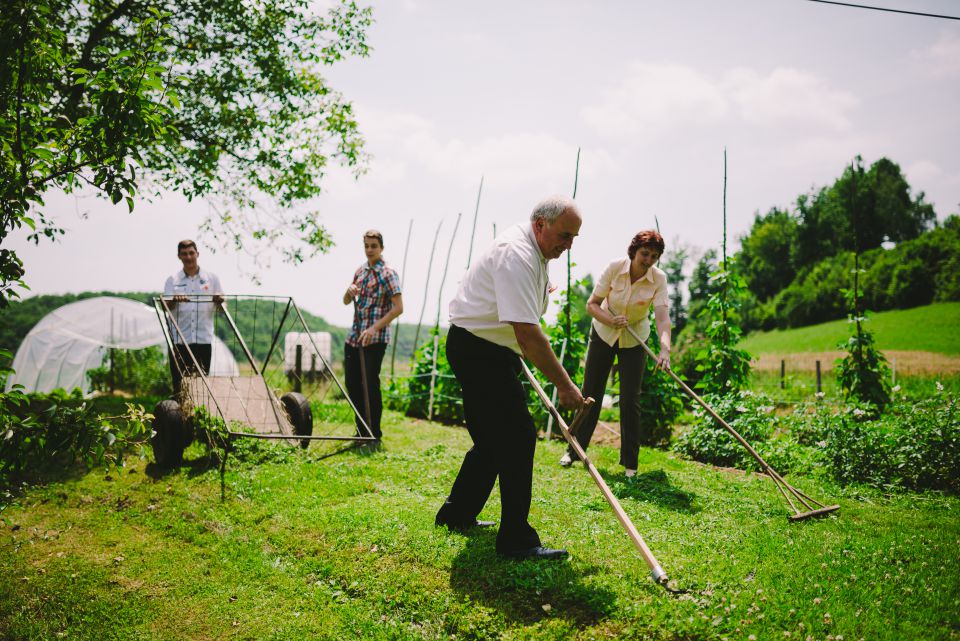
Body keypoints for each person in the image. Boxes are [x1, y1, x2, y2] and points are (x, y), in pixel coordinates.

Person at [435, 195, 586, 561]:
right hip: (478, 350)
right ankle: (516, 539)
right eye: (564, 236)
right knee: (517, 436)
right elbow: (528, 336)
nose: (568, 245)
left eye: (573, 239)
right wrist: (565, 385)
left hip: (489, 349)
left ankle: (456, 515)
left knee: (492, 440)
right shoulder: (516, 253)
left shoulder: (534, 250)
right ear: (541, 225)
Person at [559, 230, 672, 477]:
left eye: (654, 256)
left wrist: (665, 348)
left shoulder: (659, 279)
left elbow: (662, 316)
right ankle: (573, 451)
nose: (648, 260)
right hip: (603, 332)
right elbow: (592, 304)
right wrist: (610, 320)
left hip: (634, 339)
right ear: (634, 251)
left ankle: (630, 465)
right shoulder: (614, 267)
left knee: (630, 399)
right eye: (645, 254)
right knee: (591, 394)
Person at [342, 229, 403, 445]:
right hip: (355, 337)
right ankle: (360, 431)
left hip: (375, 339)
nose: (369, 250)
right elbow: (345, 301)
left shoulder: (388, 273)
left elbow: (398, 308)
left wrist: (373, 329)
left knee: (369, 384)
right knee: (352, 384)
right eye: (366, 246)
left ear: (381, 248)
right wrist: (349, 292)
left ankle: (374, 434)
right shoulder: (360, 271)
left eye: (373, 246)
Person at [162, 239, 224, 392]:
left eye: (191, 253)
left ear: (197, 254)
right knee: (179, 385)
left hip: (204, 339)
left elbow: (222, 308)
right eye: (184, 254)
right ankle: (179, 414)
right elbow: (165, 307)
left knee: (202, 386)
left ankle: (198, 415)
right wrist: (174, 301)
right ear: (179, 256)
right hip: (180, 340)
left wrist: (220, 300)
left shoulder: (212, 278)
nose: (188, 257)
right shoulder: (172, 279)